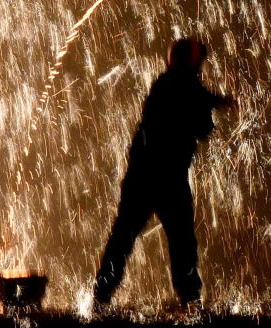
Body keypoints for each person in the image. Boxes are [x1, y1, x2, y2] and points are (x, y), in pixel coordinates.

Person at [93, 38, 232, 309]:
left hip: (142, 176)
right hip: (167, 178)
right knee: (181, 242)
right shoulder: (183, 87)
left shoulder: (165, 84)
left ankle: (101, 295)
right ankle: (190, 298)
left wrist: (215, 101)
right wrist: (218, 103)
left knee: (124, 238)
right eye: (198, 59)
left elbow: (196, 99)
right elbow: (202, 125)